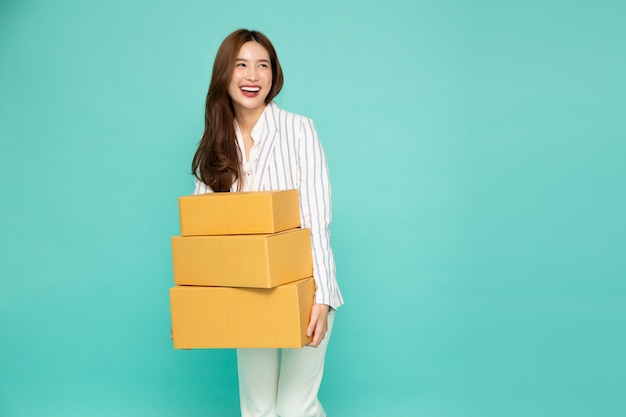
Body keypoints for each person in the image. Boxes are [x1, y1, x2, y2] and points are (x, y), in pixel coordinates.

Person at [190, 29, 344, 417]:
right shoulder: (217, 142)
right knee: (258, 409)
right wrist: (193, 305)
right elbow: (204, 236)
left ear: (274, 76)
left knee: (296, 409)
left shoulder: (299, 130)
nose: (252, 76)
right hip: (248, 293)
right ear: (225, 74)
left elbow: (315, 219)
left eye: (263, 66)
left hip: (304, 291)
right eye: (241, 65)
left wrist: (322, 298)